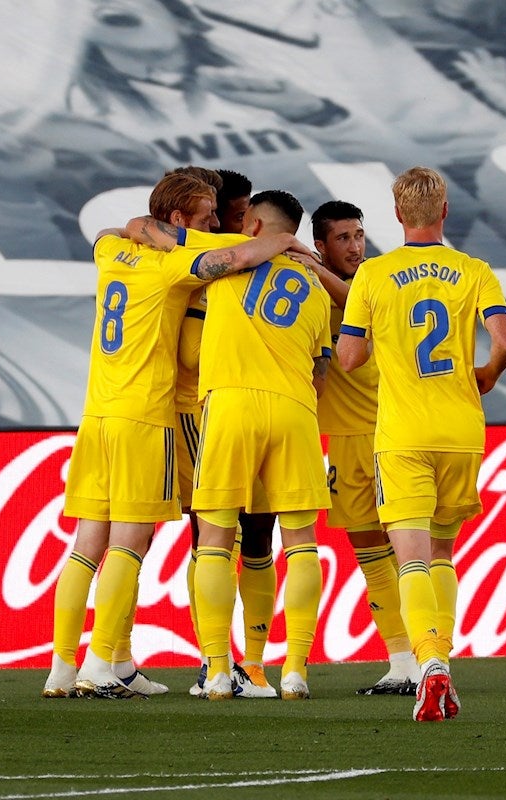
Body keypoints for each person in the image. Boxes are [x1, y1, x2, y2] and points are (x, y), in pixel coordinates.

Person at [44, 172, 310, 698]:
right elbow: (230, 261)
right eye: (207, 214)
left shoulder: (110, 251)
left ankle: (65, 667)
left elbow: (110, 231)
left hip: (97, 415)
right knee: (131, 541)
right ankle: (101, 664)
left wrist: (140, 226)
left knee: (86, 544)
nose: (216, 223)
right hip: (149, 415)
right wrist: (278, 240)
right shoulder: (173, 268)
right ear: (179, 221)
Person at [337, 166, 506, 722]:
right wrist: (485, 374)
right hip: (462, 430)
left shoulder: (374, 274)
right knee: (443, 552)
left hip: (404, 434)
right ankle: (442, 665)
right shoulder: (474, 270)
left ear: (397, 216)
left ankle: (431, 667)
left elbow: (349, 358)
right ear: (445, 213)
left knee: (409, 558)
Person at [188, 186, 332, 701]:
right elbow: (321, 366)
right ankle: (293, 669)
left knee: (215, 540)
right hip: (295, 409)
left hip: (231, 403)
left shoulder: (228, 266)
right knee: (300, 544)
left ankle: (220, 670)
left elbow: (201, 264)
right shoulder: (315, 288)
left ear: (252, 225)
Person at [309, 199, 421, 695]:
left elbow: (355, 302)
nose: (356, 246)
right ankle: (403, 662)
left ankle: (428, 656)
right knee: (370, 553)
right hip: (347, 442)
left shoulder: (374, 280)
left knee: (409, 553)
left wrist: (310, 266)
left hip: (388, 436)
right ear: (322, 245)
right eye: (343, 238)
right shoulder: (308, 290)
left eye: (359, 234)